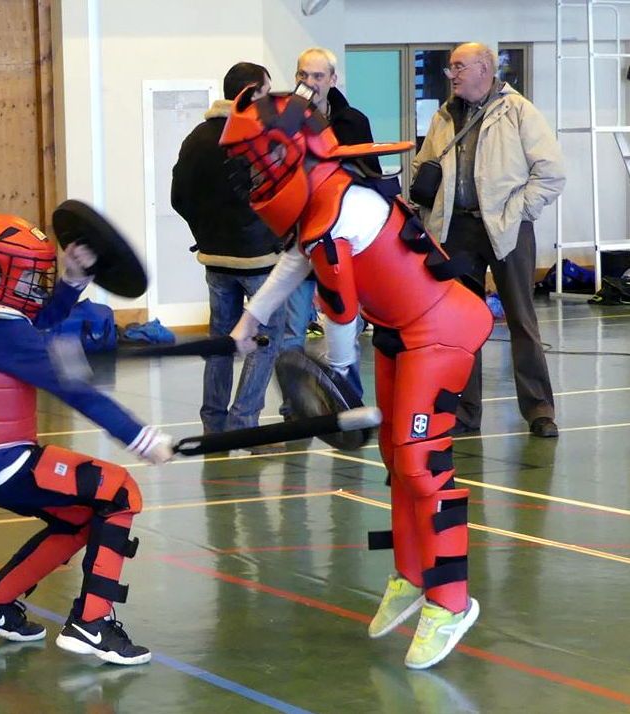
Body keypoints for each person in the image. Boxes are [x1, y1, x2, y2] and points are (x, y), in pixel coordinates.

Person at [222, 85, 492, 669]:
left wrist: (339, 379)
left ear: (294, 151)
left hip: (440, 329)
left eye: (260, 160)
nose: (254, 174)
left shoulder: (340, 208)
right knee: (398, 463)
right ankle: (412, 574)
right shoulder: (323, 201)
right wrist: (250, 319)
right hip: (402, 331)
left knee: (422, 462)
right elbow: (299, 258)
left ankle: (451, 600)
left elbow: (339, 314)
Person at [0, 214, 172, 666]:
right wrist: (141, 438)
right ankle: (92, 625)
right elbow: (73, 388)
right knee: (120, 491)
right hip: (0, 463)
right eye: (23, 277)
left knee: (79, 516)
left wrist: (72, 280)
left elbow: (35, 322)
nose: (32, 288)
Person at [413, 42, 565, 438]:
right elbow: (423, 163)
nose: (453, 74)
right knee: (462, 327)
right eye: (450, 68)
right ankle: (464, 414)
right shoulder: (445, 115)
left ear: (485, 67)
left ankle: (539, 410)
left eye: (459, 67)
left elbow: (551, 173)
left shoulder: (518, 111)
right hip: (457, 230)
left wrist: (517, 212)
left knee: (521, 320)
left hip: (507, 228)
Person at [170, 62, 286, 443]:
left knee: (220, 344)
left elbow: (178, 198)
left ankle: (213, 423)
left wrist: (204, 233)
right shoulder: (255, 139)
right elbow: (276, 196)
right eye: (266, 94)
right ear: (251, 94)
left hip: (215, 259)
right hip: (258, 259)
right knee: (264, 340)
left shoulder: (195, 138)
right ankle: (243, 422)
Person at [281, 47, 388, 406]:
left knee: (343, 327)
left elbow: (371, 176)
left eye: (317, 76)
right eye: (303, 75)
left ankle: (349, 404)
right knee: (291, 332)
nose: (309, 83)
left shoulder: (351, 121)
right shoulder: (284, 123)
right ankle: (296, 412)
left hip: (342, 240)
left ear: (332, 79)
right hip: (300, 240)